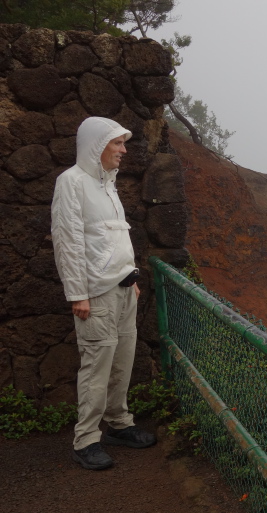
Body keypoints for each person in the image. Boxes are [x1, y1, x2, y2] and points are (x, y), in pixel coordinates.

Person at [51, 116, 156, 471]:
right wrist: (77, 294)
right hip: (95, 294)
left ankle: (119, 424)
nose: (124, 151)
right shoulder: (72, 183)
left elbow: (113, 237)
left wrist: (131, 276)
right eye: (117, 143)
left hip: (124, 290)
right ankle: (86, 441)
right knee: (97, 367)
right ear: (97, 145)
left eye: (123, 144)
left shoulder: (107, 184)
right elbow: (68, 241)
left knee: (122, 362)